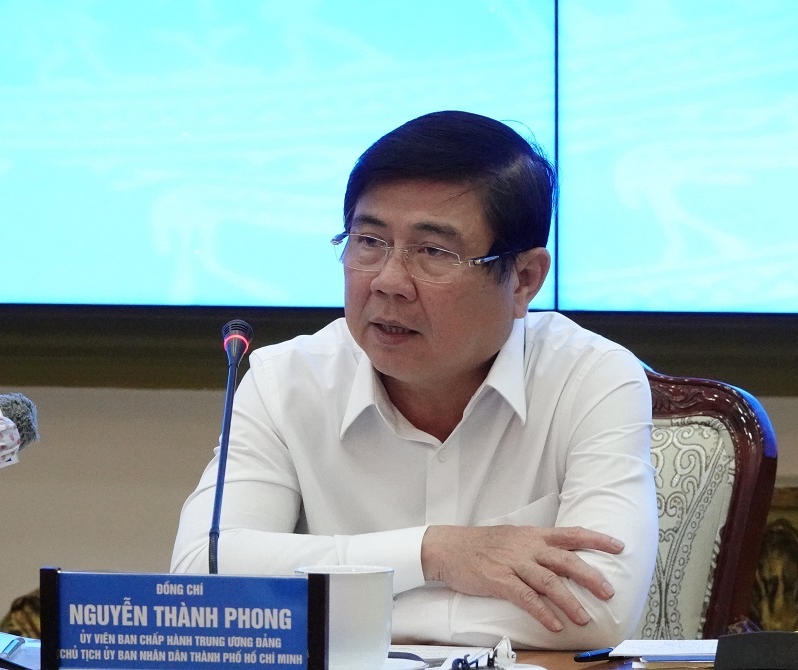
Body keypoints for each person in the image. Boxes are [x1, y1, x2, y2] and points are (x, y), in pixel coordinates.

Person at [171, 110, 658, 650]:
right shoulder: (283, 382)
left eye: (433, 252)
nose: (388, 281)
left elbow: (596, 608)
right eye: (368, 241)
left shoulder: (591, 379)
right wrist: (433, 553)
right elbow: (202, 576)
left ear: (523, 279)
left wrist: (337, 609)